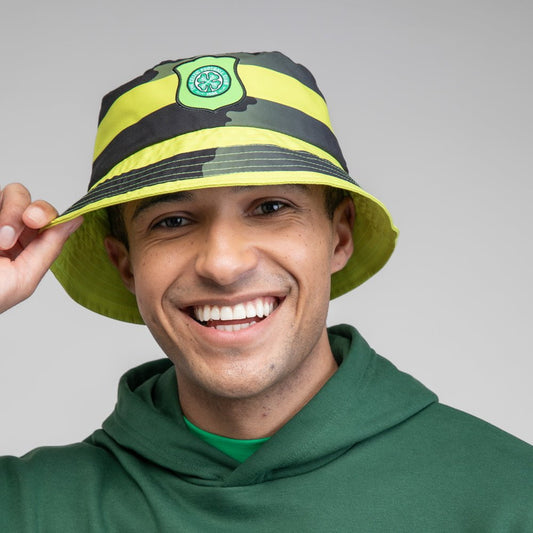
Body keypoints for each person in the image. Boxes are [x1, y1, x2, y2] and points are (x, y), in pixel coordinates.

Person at [0, 51, 531, 531]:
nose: (223, 264)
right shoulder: (28, 508)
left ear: (339, 236)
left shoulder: (508, 497)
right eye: (173, 220)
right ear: (126, 265)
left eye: (271, 208)